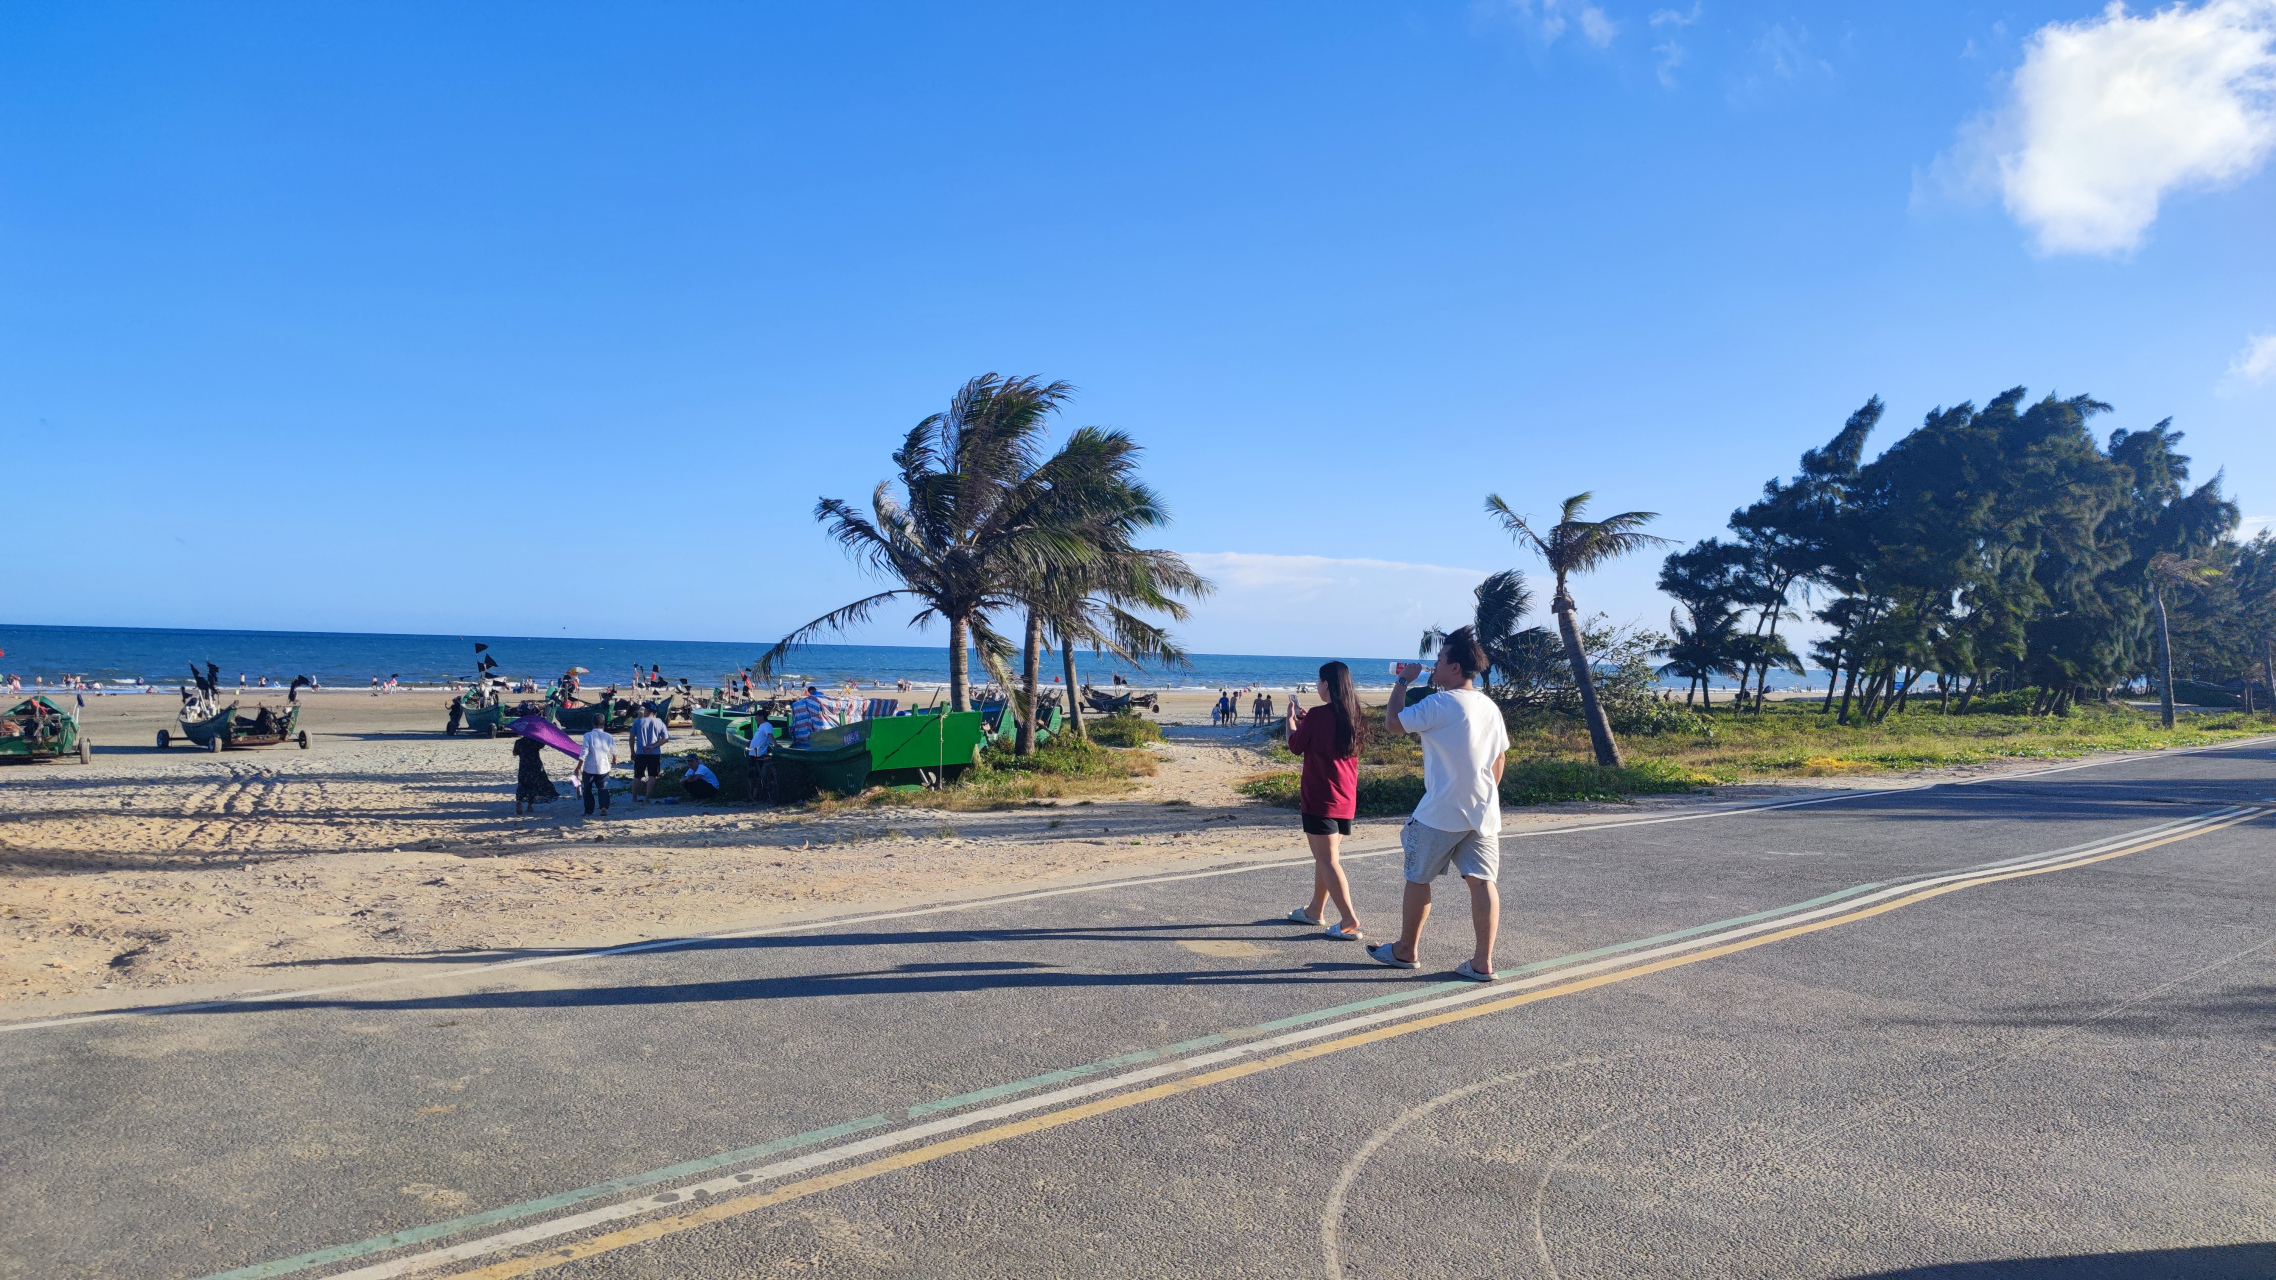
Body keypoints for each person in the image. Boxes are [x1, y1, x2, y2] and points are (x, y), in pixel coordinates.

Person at [1367, 626, 1509, 982]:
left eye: (1440, 660)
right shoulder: (1489, 706)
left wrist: (1403, 682)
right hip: (1482, 810)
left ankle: (1406, 950)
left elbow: (1393, 724)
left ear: (1456, 668)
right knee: (1481, 882)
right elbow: (1499, 759)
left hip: (1441, 810)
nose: (1434, 666)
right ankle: (1482, 961)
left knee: (1418, 877)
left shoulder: (1439, 702)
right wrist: (1483, 791)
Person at [1283, 661, 1365, 940]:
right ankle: (1315, 910)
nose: (1317, 686)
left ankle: (1348, 918)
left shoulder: (1318, 715)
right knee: (1326, 858)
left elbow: (1294, 745)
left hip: (1321, 797)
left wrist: (1291, 719)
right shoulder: (1353, 715)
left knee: (1328, 859)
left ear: (1326, 684)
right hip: (1345, 798)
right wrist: (1308, 721)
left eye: (1319, 682)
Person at [629, 704, 670, 802]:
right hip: (654, 753)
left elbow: (631, 738)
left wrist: (632, 751)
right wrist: (653, 746)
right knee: (652, 775)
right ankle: (647, 797)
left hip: (641, 752)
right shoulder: (659, 723)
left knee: (638, 776)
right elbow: (665, 739)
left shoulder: (638, 722)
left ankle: (634, 797)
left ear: (647, 711)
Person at [578, 720, 617, 817]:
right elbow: (614, 750)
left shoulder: (588, 735)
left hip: (589, 768)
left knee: (587, 789)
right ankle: (603, 807)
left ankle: (589, 810)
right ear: (603, 724)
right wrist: (615, 760)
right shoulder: (608, 736)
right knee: (603, 788)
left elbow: (584, 751)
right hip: (603, 768)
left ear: (592, 723)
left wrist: (579, 766)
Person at [512, 733, 554, 814]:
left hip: (524, 766)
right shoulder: (535, 741)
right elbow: (543, 744)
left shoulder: (519, 742)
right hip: (535, 766)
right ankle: (529, 806)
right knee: (533, 785)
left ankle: (519, 801)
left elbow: (514, 753)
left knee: (522, 784)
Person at [745, 716, 777, 801]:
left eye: (757, 717)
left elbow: (770, 735)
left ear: (762, 717)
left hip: (759, 753)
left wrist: (775, 744)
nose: (755, 719)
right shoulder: (761, 726)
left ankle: (754, 794)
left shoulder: (766, 725)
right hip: (753, 752)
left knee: (754, 775)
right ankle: (753, 794)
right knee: (754, 774)